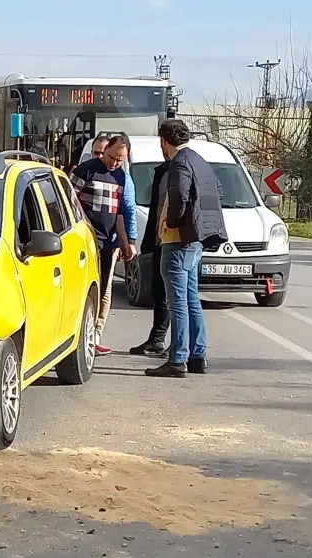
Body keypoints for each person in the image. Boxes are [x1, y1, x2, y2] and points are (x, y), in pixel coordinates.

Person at [145, 119, 227, 378]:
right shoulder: (200, 160)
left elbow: (180, 194)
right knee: (191, 299)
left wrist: (172, 221)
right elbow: (219, 192)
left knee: (177, 301)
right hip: (195, 240)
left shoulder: (179, 163)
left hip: (178, 239)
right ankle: (197, 355)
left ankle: (177, 359)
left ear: (164, 141)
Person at [71, 133, 137, 356]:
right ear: (105, 149)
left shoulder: (121, 177)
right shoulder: (86, 170)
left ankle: (93, 335)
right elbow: (70, 202)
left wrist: (127, 242)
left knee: (102, 289)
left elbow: (121, 213)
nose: (115, 163)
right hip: (87, 241)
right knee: (84, 288)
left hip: (109, 243)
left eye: (120, 160)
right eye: (112, 157)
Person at [129, 159, 171, 357]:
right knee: (158, 291)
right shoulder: (164, 171)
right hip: (159, 240)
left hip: (173, 241)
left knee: (172, 296)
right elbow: (156, 209)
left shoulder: (182, 168)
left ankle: (176, 343)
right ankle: (157, 339)